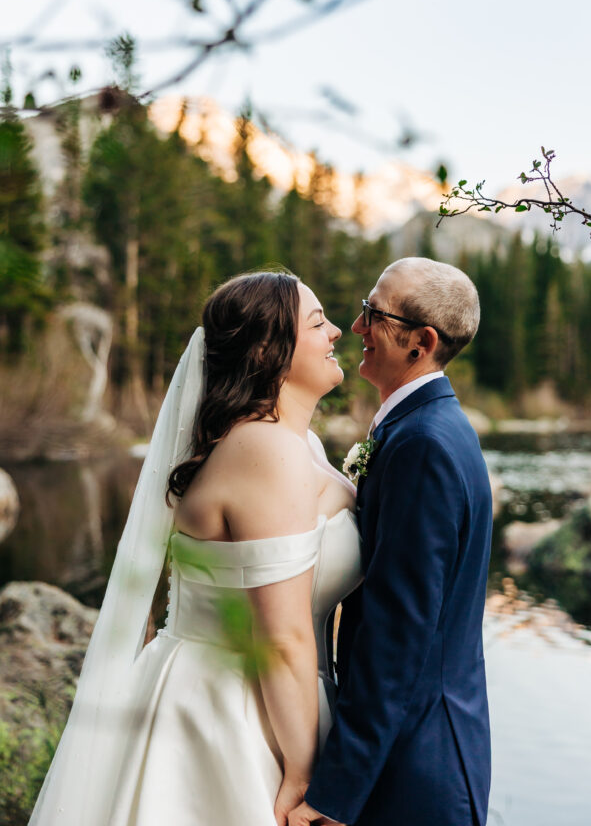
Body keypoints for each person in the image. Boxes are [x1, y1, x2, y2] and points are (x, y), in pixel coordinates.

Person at [28, 271, 362, 826]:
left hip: (276, 698)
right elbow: (280, 635)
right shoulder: (264, 450)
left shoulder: (293, 442)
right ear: (267, 350)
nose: (336, 333)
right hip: (231, 714)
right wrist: (305, 776)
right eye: (318, 322)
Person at [291, 257, 493, 826]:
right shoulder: (417, 428)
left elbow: (396, 635)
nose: (356, 327)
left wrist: (336, 793)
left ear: (421, 342)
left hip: (415, 768)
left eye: (372, 314)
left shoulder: (423, 444)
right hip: (410, 745)